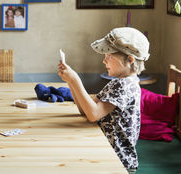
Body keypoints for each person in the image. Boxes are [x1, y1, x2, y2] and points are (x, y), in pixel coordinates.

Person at [57, 27, 150, 173]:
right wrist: (69, 81)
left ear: (130, 60)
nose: (104, 60)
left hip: (117, 161)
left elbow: (93, 115)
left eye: (109, 56)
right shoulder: (119, 82)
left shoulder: (124, 85)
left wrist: (75, 80)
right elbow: (85, 109)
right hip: (106, 153)